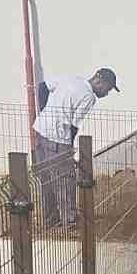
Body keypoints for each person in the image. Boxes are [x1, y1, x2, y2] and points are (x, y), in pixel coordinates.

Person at [33, 68, 119, 226]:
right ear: (99, 80)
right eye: (107, 89)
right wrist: (68, 148)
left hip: (40, 131)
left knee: (46, 179)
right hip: (58, 138)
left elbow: (42, 87)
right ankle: (69, 220)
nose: (106, 93)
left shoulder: (70, 78)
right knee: (65, 180)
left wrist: (45, 112)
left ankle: (50, 219)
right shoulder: (89, 97)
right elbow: (74, 125)